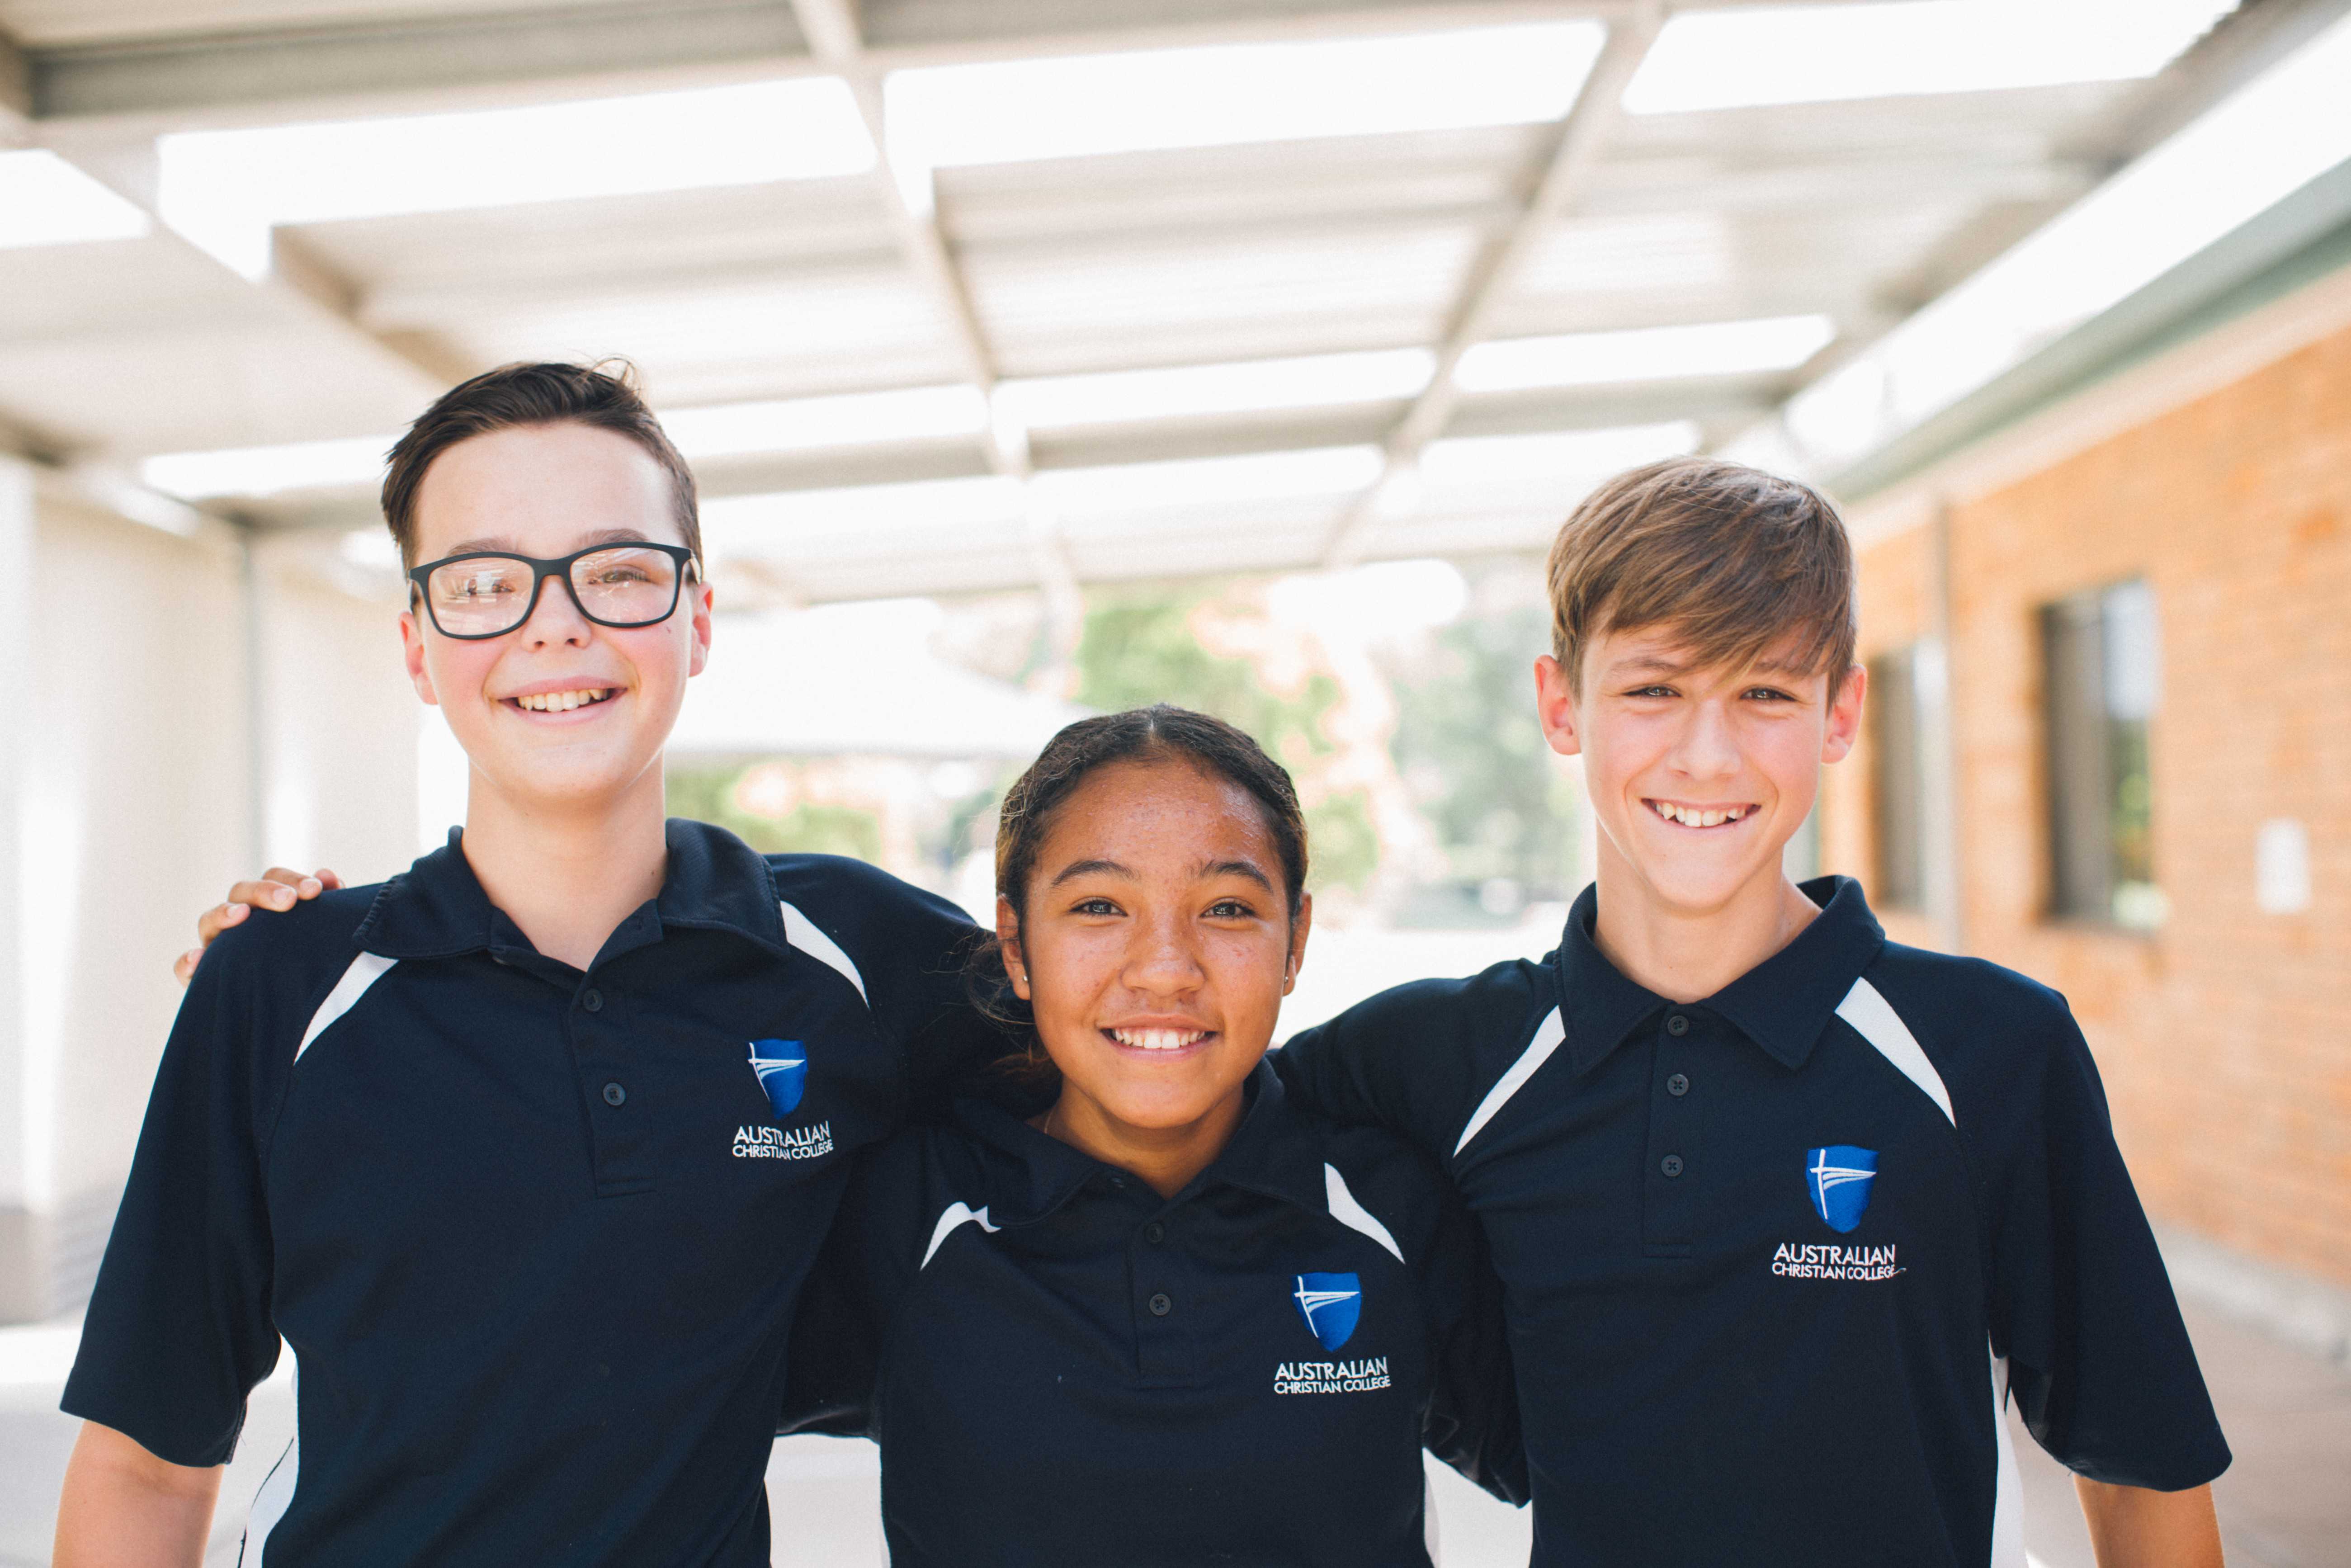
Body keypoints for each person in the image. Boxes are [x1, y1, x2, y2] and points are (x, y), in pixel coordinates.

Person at [57, 362, 998, 1567]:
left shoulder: (853, 961)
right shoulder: (282, 987)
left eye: (616, 572)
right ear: (416, 643)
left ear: (698, 617)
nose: (556, 623)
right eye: (487, 582)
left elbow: (1151, 1082)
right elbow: (145, 1460)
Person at [1274, 455, 2232, 1567]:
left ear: (1840, 713)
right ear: (1557, 705)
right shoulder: (1431, 1062)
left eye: (1764, 692)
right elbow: (1163, 1117)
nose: (1706, 753)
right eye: (1652, 689)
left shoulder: (1988, 1051)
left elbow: (2141, 1466)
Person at [782, 705, 1522, 1565]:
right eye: (1101, 906)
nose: (1166, 968)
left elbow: (1603, 1462)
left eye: (1228, 909)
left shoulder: (1394, 1209)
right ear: (1017, 946)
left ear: (1297, 941)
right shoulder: (904, 1216)